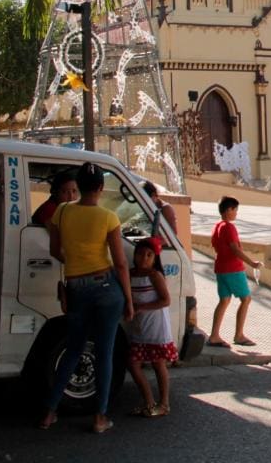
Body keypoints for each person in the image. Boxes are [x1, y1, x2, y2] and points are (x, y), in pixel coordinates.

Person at [40, 162, 134, 434]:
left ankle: (49, 413)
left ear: (78, 186)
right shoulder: (108, 217)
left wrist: (76, 263)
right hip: (105, 286)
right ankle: (100, 417)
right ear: (101, 189)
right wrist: (128, 299)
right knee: (104, 353)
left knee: (73, 349)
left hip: (76, 288)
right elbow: (120, 264)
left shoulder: (62, 211)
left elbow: (55, 250)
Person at [126, 237, 177, 417]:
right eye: (140, 253)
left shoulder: (155, 276)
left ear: (155, 258)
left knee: (158, 364)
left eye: (149, 255)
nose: (144, 258)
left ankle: (164, 403)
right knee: (133, 364)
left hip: (156, 328)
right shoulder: (130, 274)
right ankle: (149, 401)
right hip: (138, 328)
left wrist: (141, 308)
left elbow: (165, 300)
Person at [208, 196, 263, 348]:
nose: (236, 213)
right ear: (228, 210)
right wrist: (252, 263)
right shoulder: (228, 227)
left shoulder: (217, 226)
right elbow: (235, 248)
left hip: (221, 268)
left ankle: (214, 335)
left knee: (224, 300)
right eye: (235, 210)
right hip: (233, 269)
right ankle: (239, 335)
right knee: (246, 299)